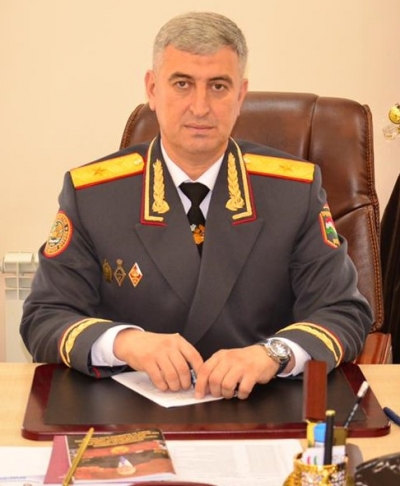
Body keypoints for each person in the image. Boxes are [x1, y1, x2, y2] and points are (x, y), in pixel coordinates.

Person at [20, 11, 372, 400]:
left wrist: (273, 354)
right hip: (130, 413)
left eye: (218, 86)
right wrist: (125, 342)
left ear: (241, 95)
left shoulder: (293, 190)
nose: (200, 107)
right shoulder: (94, 194)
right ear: (152, 89)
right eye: (182, 84)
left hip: (260, 407)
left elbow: (343, 312)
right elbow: (45, 318)